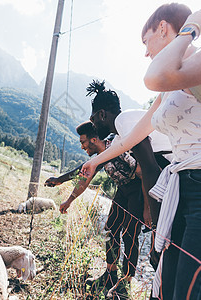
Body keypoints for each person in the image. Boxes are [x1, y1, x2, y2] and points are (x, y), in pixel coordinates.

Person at [81, 4, 201, 299]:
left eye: (146, 41)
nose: (146, 53)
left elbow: (154, 77)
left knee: (195, 291)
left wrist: (192, 27)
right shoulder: (169, 92)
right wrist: (95, 160)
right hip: (186, 187)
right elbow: (130, 139)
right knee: (168, 288)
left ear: (162, 28)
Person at [45, 121, 144, 297]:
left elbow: (142, 172)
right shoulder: (101, 157)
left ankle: (125, 285)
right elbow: (83, 177)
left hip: (137, 191)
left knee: (130, 235)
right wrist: (68, 199)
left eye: (83, 142)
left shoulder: (117, 148)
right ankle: (110, 276)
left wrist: (149, 207)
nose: (82, 147)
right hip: (123, 191)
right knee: (111, 230)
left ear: (94, 139)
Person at [86, 80, 172, 273]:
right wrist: (89, 165)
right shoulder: (120, 135)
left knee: (161, 253)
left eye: (93, 120)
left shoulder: (123, 121)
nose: (93, 124)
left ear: (101, 114)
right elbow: (107, 155)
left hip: (180, 170)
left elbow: (150, 170)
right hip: (173, 172)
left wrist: (157, 230)